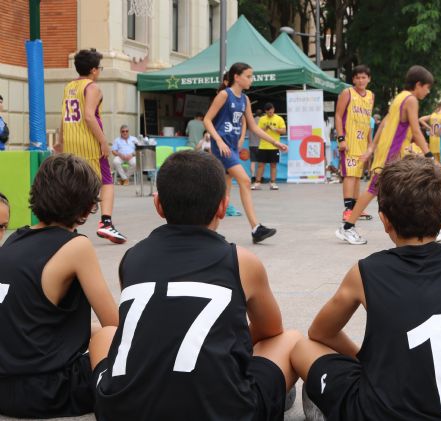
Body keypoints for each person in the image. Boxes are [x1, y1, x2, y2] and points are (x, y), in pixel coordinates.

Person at [92, 151, 301, 420]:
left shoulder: (131, 258)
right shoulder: (241, 261)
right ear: (223, 207)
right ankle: (274, 392)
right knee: (291, 339)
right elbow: (271, 329)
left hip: (122, 411)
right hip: (221, 411)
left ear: (159, 206)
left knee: (104, 333)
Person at [293, 155, 441, 420]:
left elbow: (320, 332)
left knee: (300, 347)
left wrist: (361, 358)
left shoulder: (365, 271)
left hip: (383, 412)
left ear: (384, 220)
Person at [0, 154, 118, 418]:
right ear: (87, 208)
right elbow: (114, 322)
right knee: (110, 335)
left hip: (5, 390)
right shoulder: (76, 246)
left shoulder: (14, 240)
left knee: (95, 330)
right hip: (47, 393)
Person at [335, 65, 434, 245]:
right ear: (419, 84)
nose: (427, 92)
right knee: (373, 189)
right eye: (427, 88)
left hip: (392, 153)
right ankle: (347, 227)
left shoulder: (399, 97)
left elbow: (383, 124)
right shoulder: (411, 100)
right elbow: (416, 130)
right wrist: (429, 155)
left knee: (404, 190)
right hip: (390, 154)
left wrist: (371, 148)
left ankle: (424, 227)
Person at [203, 62, 287, 243]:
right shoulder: (224, 95)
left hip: (231, 147)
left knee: (223, 194)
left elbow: (253, 127)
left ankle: (209, 232)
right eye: (248, 76)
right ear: (236, 77)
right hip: (222, 147)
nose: (251, 79)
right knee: (245, 180)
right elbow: (207, 120)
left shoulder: (245, 100)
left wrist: (274, 142)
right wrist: (217, 140)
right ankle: (256, 228)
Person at [54, 48, 127, 244]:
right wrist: (103, 141)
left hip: (71, 141)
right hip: (88, 143)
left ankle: (67, 226)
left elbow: (63, 117)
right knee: (106, 181)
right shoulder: (92, 88)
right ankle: (106, 223)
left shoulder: (69, 86)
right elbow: (88, 116)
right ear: (94, 70)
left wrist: (60, 142)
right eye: (100, 68)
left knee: (74, 184)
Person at [335, 65, 375, 221]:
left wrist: (370, 143)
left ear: (369, 79)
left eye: (364, 77)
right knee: (350, 175)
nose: (361, 80)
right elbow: (338, 116)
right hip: (349, 140)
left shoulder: (371, 96)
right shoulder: (347, 93)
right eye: (357, 77)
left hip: (362, 141)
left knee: (357, 176)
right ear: (353, 79)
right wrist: (341, 138)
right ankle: (348, 209)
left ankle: (357, 208)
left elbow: (368, 121)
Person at [254, 103, 286, 191]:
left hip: (274, 147)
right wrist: (266, 128)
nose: (270, 113)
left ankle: (272, 183)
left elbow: (284, 131)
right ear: (265, 111)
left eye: (271, 111)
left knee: (273, 165)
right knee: (260, 165)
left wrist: (274, 129)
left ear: (273, 109)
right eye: (268, 112)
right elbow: (257, 131)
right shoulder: (262, 119)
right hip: (263, 146)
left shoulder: (279, 119)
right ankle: (257, 183)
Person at [249, 109, 264, 183]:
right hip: (260, 144)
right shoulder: (262, 121)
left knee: (253, 161)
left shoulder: (251, 121)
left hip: (252, 144)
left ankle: (252, 177)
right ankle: (260, 177)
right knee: (261, 162)